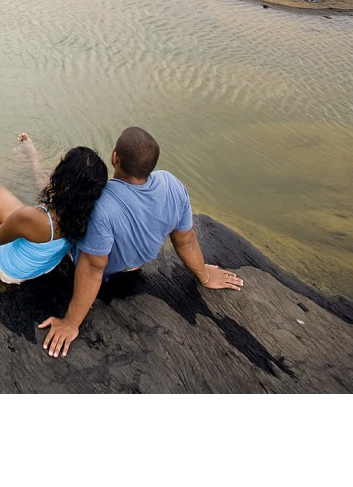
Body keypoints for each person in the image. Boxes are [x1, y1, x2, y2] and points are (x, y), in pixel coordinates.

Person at [38, 126, 244, 358]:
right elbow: (185, 240)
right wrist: (203, 275)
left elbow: (93, 268)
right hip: (134, 265)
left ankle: (30, 157)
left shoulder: (102, 203)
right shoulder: (171, 184)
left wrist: (71, 323)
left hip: (104, 272)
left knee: (56, 192)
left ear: (114, 157)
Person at [0, 133, 108, 285]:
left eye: (62, 162)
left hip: (7, 266)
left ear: (64, 178)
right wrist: (32, 154)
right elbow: (45, 184)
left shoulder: (33, 218)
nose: (58, 163)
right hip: (38, 261)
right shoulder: (84, 209)